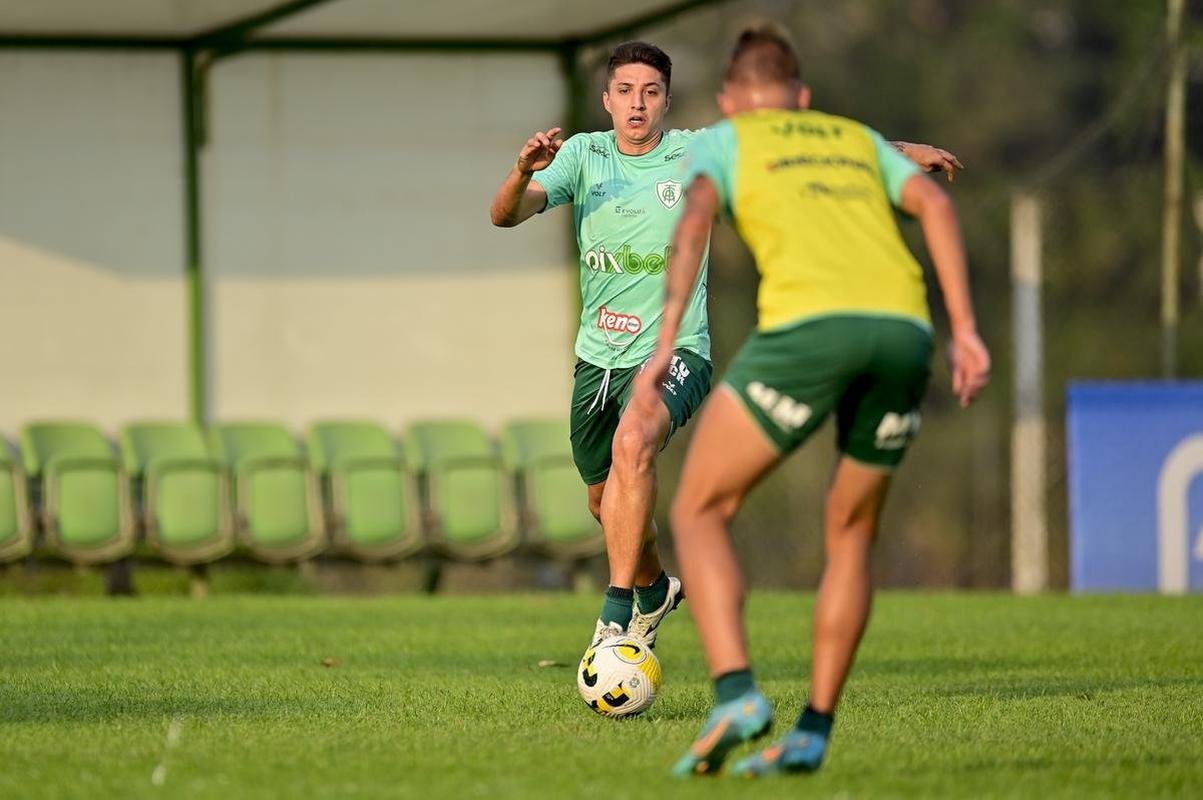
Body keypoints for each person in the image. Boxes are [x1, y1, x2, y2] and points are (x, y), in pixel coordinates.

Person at [489, 40, 966, 675]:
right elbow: (505, 216)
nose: (637, 104)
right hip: (596, 363)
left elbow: (797, 144)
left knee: (635, 443)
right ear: (606, 101)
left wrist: (902, 153)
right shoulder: (582, 155)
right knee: (609, 506)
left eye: (650, 92)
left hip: (676, 354)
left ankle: (614, 617)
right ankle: (655, 591)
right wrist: (522, 171)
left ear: (665, 100)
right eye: (625, 92)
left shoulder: (696, 152)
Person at [633, 24, 990, 775]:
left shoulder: (724, 143)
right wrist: (964, 331)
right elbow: (935, 208)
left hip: (809, 331)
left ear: (730, 100)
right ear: (800, 97)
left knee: (699, 509)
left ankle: (734, 692)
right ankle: (812, 732)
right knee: (850, 532)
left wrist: (662, 345)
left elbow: (692, 224)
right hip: (903, 332)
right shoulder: (853, 136)